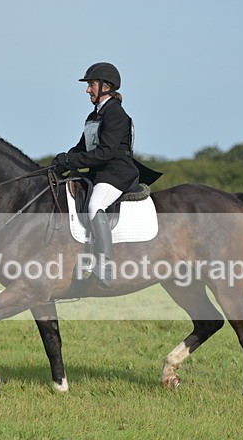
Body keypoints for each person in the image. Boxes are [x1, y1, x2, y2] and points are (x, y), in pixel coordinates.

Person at [52, 62, 161, 288]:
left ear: (106, 86)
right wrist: (63, 160)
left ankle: (104, 266)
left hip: (116, 172)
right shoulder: (95, 115)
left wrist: (71, 161)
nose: (87, 90)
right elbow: (83, 147)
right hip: (100, 171)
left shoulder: (115, 114)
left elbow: (105, 152)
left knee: (95, 206)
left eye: (91, 85)